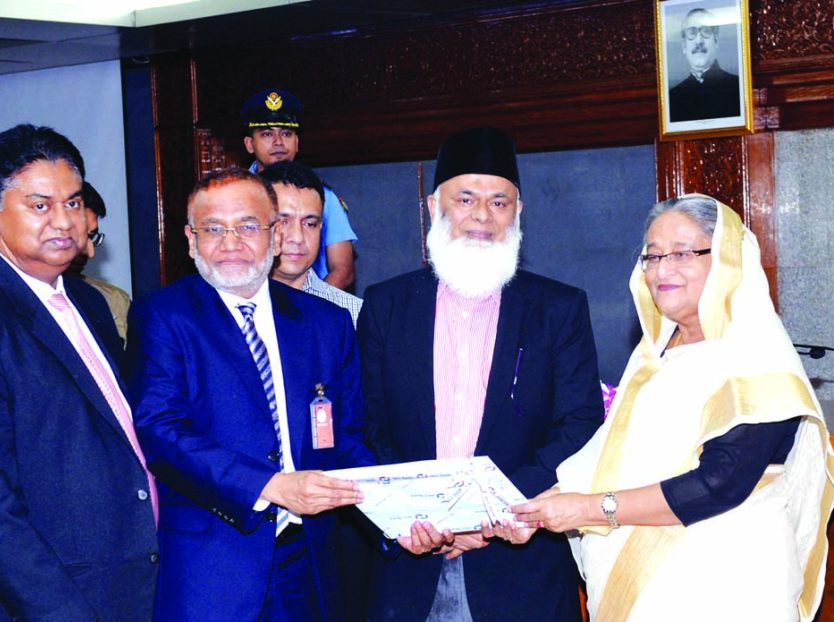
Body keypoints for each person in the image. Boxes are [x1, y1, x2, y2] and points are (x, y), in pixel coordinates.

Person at [503, 195, 834, 621]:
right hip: (648, 590)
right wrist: (537, 511)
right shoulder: (653, 358)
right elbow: (614, 464)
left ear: (727, 259)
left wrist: (588, 510)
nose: (663, 269)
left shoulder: (757, 354)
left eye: (683, 253)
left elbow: (720, 482)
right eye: (653, 255)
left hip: (729, 584)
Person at [125, 166, 441, 622]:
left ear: (274, 237)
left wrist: (397, 519)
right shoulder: (163, 316)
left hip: (308, 564)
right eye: (214, 228)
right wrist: (270, 486)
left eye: (248, 226)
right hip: (211, 569)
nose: (231, 242)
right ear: (191, 240)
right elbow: (161, 431)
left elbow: (348, 439)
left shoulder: (324, 323)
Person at [358, 127, 605, 621]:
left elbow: (580, 425)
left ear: (519, 213)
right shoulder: (387, 305)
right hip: (409, 565)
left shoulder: (557, 308)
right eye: (466, 198)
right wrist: (410, 515)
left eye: (499, 202)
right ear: (434, 207)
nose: (482, 217)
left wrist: (489, 515)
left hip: (520, 568)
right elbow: (365, 424)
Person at [0, 124, 159, 620]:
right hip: (43, 602)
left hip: (117, 583)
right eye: (40, 205)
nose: (64, 221)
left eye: (73, 203)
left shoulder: (87, 301)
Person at [240, 88, 357, 290]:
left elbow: (343, 270)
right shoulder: (233, 196)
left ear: (297, 142)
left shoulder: (324, 197)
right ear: (250, 144)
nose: (278, 142)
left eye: (286, 133)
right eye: (267, 134)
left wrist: (306, 309)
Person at [259, 160, 362, 326]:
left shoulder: (352, 314)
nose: (298, 237)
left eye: (310, 224)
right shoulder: (229, 308)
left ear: (321, 228)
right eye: (283, 222)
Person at [65, 181, 131, 342]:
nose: (90, 251)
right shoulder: (3, 307)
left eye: (92, 236)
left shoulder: (113, 301)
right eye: (77, 237)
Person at [668, 7, 741, 122]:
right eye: (692, 33)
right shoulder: (672, 98)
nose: (699, 41)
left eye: (706, 31)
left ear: (716, 41)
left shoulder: (738, 88)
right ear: (684, 47)